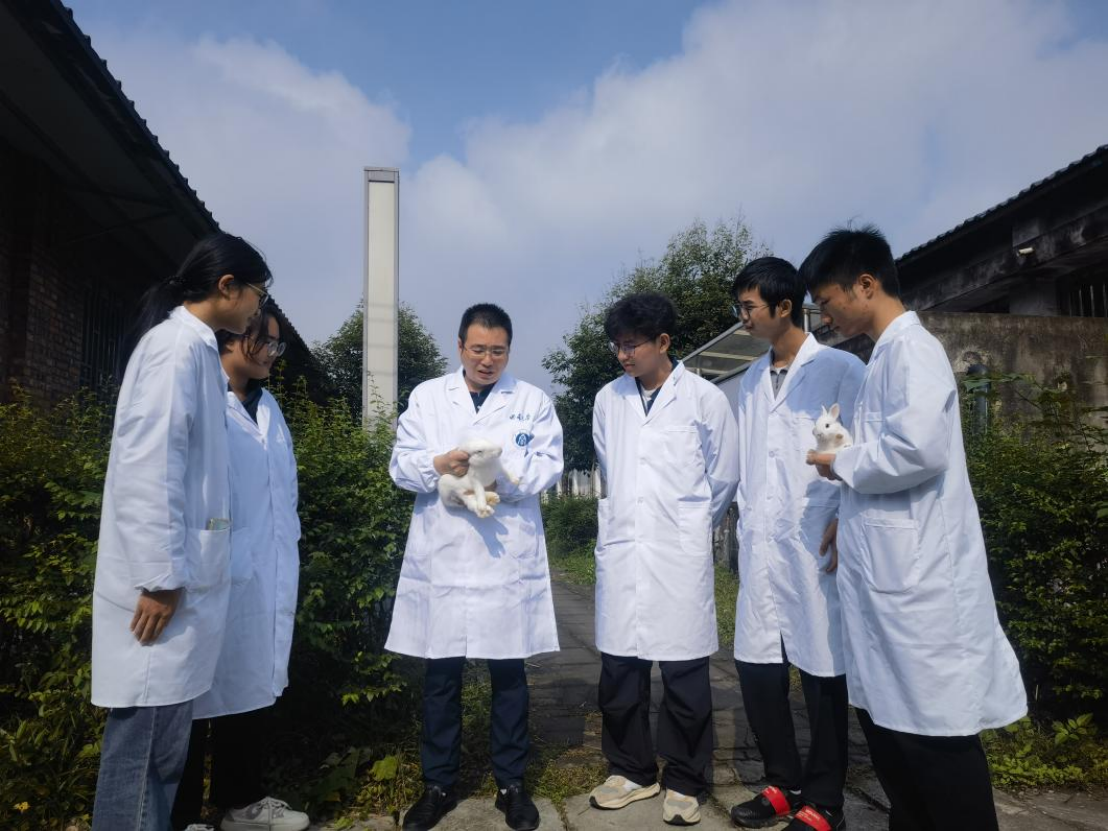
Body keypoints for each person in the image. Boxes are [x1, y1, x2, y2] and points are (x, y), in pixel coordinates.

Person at [802, 225, 1027, 832]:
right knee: (898, 742)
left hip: (922, 587)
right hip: (892, 577)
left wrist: (837, 463)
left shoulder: (913, 351)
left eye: (827, 302)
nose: (826, 317)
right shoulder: (882, 357)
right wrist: (846, 516)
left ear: (865, 284)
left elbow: (916, 451)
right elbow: (886, 462)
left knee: (936, 746)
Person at [91, 233, 271, 831]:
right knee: (144, 758)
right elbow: (150, 468)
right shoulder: (174, 350)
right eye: (257, 293)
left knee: (164, 756)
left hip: (183, 588)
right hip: (161, 593)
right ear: (227, 287)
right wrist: (161, 577)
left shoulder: (194, 350)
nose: (258, 309)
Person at [387, 304, 564, 832]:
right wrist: (438, 465)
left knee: (509, 673)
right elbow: (401, 465)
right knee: (441, 674)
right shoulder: (427, 397)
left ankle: (512, 784)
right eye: (479, 349)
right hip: (444, 553)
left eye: (498, 351)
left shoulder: (531, 401)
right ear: (460, 346)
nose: (488, 360)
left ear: (509, 351)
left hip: (505, 555)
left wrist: (497, 476)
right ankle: (438, 785)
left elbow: (548, 466)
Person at [588, 292, 739, 826]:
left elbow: (723, 476)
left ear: (663, 342)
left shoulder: (704, 399)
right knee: (619, 669)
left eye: (632, 345)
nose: (623, 355)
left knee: (685, 673)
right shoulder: (608, 399)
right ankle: (631, 770)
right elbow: (612, 464)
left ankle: (685, 777)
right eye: (617, 345)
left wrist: (687, 524)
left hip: (678, 553)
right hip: (625, 548)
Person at [726, 258, 864, 832]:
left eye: (749, 307)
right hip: (763, 539)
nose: (742, 318)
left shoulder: (841, 369)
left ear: (784, 307)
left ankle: (826, 799)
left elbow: (866, 451)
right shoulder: (751, 379)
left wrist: (848, 517)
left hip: (816, 537)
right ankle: (782, 784)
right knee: (757, 667)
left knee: (822, 669)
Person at [171, 307, 308, 832]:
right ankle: (181, 816)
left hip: (261, 573)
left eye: (276, 345)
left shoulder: (269, 407)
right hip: (205, 570)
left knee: (248, 684)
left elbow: (281, 493)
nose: (274, 353)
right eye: (266, 342)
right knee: (190, 694)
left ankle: (242, 802)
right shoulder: (200, 395)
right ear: (232, 340)